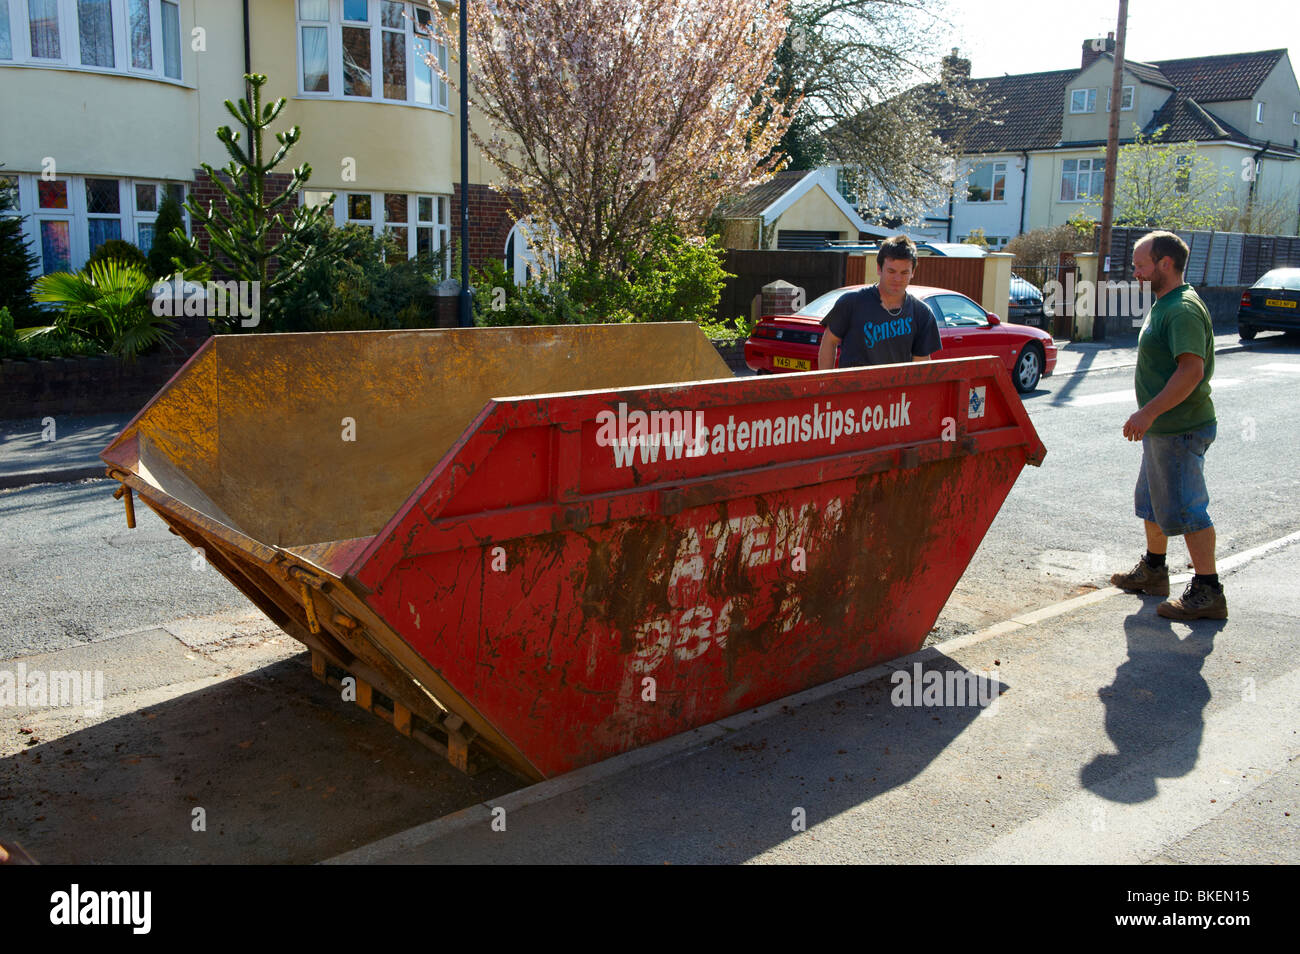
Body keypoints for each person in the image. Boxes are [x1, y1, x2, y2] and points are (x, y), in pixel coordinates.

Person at [1110, 230, 1225, 620]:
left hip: (1179, 428)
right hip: (1163, 430)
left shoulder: (1181, 309)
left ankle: (1208, 589)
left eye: (1141, 264)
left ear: (1165, 264)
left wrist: (1148, 413)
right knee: (1152, 503)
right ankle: (1155, 571)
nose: (1135, 271)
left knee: (1188, 510)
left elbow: (1191, 371)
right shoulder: (1166, 303)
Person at [817, 234, 942, 370]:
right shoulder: (852, 302)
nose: (897, 279)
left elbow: (921, 364)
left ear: (913, 272)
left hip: (897, 390)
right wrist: (826, 384)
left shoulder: (922, 313)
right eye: (891, 271)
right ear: (879, 268)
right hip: (855, 389)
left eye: (904, 272)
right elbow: (829, 341)